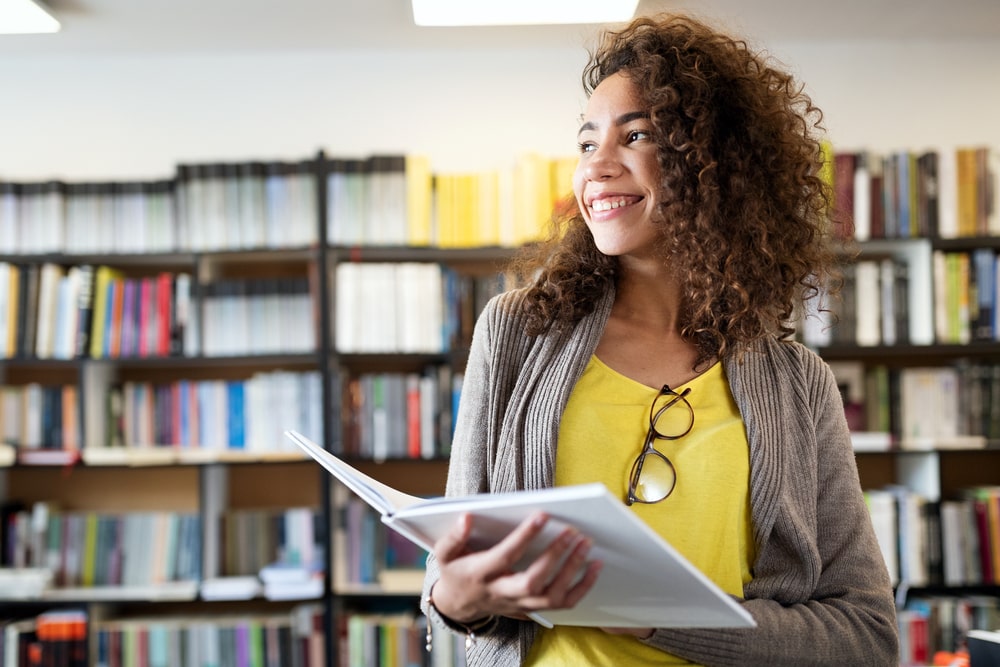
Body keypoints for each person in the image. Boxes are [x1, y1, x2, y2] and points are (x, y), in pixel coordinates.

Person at [421, 12, 898, 667]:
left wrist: (657, 618)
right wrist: (454, 595)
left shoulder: (798, 382)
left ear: (712, 162)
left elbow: (865, 633)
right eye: (587, 143)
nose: (596, 168)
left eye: (636, 135)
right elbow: (447, 584)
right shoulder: (515, 332)